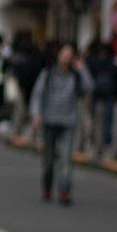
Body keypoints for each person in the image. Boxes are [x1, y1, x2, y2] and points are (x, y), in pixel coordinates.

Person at [30, 43, 88, 205]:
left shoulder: (76, 76)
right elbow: (37, 94)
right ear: (59, 55)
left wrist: (82, 68)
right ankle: (47, 187)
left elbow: (90, 87)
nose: (66, 58)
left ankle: (64, 191)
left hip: (68, 121)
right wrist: (36, 114)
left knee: (66, 158)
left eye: (70, 55)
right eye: (65, 54)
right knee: (48, 160)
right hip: (49, 120)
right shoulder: (48, 73)